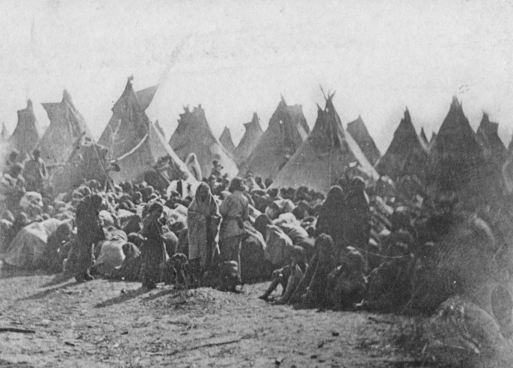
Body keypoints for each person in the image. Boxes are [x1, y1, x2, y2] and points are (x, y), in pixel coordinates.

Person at [187, 182, 220, 285]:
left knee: (208, 254)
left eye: (205, 192)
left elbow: (218, 216)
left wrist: (210, 219)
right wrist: (200, 218)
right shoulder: (194, 203)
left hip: (208, 233)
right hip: (196, 234)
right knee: (195, 254)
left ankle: (206, 279)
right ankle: (194, 279)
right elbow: (190, 216)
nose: (203, 194)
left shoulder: (212, 203)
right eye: (202, 192)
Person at [219, 177, 249, 288]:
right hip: (240, 227)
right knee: (237, 255)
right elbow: (246, 216)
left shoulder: (230, 198)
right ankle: (237, 278)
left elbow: (222, 211)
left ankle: (226, 281)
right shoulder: (245, 199)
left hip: (230, 227)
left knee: (226, 254)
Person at [75, 194, 105, 282]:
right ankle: (79, 275)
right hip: (84, 232)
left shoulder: (90, 204)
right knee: (83, 253)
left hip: (89, 232)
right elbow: (85, 221)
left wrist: (98, 222)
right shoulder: (84, 206)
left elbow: (95, 216)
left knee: (89, 253)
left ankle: (86, 273)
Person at [140, 202, 167, 289]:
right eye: (157, 211)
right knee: (153, 264)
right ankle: (151, 282)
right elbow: (156, 234)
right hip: (154, 245)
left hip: (148, 244)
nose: (159, 214)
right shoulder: (153, 222)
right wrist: (164, 239)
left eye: (160, 212)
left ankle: (146, 281)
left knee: (148, 263)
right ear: (152, 211)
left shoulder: (147, 220)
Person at [316, 186, 347, 256]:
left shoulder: (325, 207)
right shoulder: (343, 208)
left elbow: (318, 224)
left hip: (324, 239)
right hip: (336, 240)